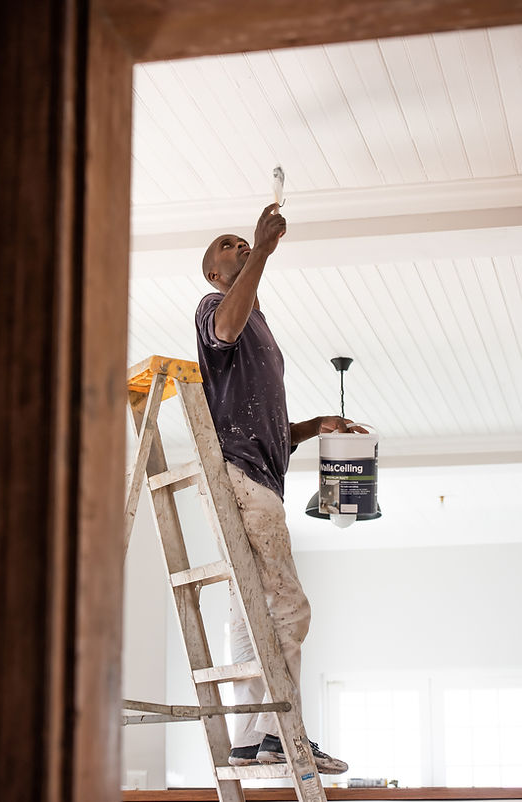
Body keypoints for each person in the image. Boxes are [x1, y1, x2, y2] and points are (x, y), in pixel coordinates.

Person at [195, 203, 363, 774]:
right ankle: (281, 736)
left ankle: (249, 739)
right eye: (227, 245)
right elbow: (225, 328)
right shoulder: (215, 307)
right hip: (243, 478)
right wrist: (262, 250)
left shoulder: (258, 329)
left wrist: (314, 426)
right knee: (289, 608)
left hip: (251, 474)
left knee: (251, 614)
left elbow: (264, 428)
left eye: (242, 242)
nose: (238, 245)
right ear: (214, 273)